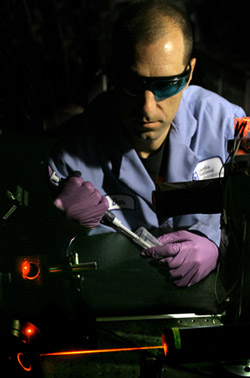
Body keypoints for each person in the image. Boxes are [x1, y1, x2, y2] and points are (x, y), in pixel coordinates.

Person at [48, 0, 245, 288]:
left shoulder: (227, 125)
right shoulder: (71, 154)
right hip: (116, 309)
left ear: (189, 73)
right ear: (113, 72)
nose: (148, 108)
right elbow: (39, 260)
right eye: (133, 84)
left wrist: (215, 243)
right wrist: (57, 224)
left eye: (167, 85)